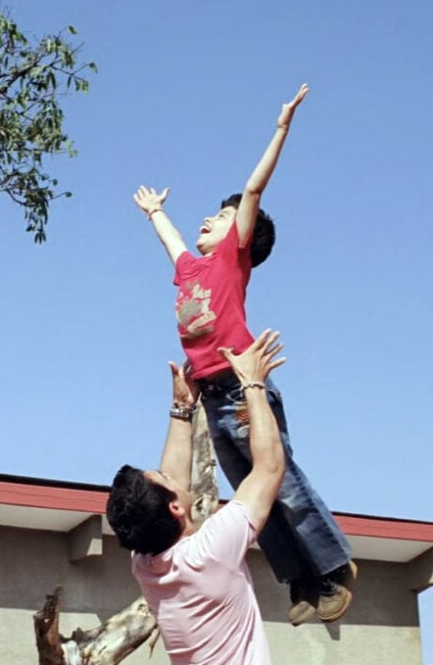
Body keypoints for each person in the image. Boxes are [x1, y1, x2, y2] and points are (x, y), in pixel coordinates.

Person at [131, 84, 356, 625]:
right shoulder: (191, 270)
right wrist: (156, 212)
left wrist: (280, 129)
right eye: (207, 215)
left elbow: (252, 191)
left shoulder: (233, 261)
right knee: (248, 496)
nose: (209, 219)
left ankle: (332, 567)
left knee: (281, 478)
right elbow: (171, 240)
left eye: (220, 215)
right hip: (212, 396)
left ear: (241, 235)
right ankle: (301, 582)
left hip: (242, 387)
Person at [107, 330, 288, 664]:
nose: (169, 475)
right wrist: (252, 383)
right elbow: (270, 468)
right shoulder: (209, 554)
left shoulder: (146, 563)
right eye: (162, 477)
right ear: (174, 507)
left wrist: (181, 408)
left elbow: (172, 482)